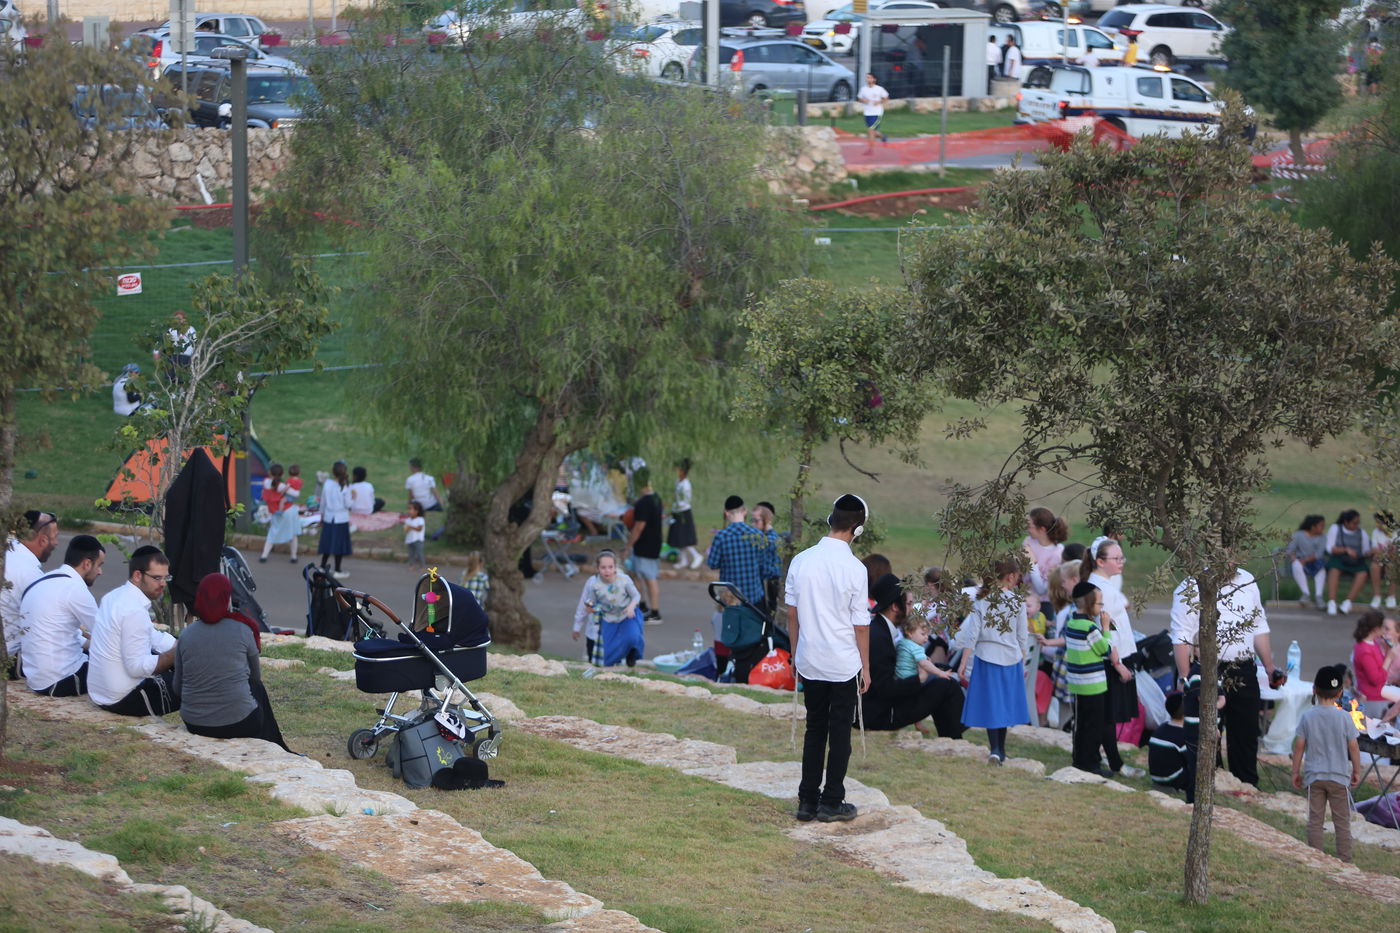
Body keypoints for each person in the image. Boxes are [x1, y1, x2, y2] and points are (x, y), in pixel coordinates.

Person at [789, 494, 871, 823]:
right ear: (857, 529)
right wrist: (866, 667)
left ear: (830, 520)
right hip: (842, 662)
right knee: (839, 732)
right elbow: (860, 626)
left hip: (809, 657)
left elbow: (791, 616)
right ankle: (832, 801)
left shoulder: (802, 560)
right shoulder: (855, 568)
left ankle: (807, 800)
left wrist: (795, 654)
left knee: (814, 729)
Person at [1170, 567, 1281, 788]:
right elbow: (1181, 633)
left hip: (1243, 666)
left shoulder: (1248, 579)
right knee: (1208, 731)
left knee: (1246, 730)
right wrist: (1185, 679)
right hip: (1206, 667)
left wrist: (1269, 667)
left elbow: (1258, 624)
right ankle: (1209, 782)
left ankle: (1247, 782)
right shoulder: (1192, 585)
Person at [176, 573, 290, 752]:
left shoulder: (186, 635)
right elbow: (255, 677)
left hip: (194, 723)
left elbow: (177, 687)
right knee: (257, 689)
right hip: (240, 723)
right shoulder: (243, 630)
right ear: (226, 598)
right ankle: (276, 746)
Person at [862, 573, 965, 738]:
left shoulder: (879, 629)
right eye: (909, 604)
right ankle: (954, 738)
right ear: (895, 606)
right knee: (946, 685)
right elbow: (885, 688)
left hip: (878, 707)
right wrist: (920, 679)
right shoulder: (879, 637)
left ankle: (952, 736)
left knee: (942, 673)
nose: (912, 610)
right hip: (879, 714)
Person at [88, 546, 179, 717]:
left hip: (100, 694)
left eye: (166, 578)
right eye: (157, 578)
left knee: (175, 654)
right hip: (123, 699)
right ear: (138, 575)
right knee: (196, 680)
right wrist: (178, 652)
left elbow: (153, 637)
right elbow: (137, 668)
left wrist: (181, 644)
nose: (163, 584)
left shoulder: (114, 596)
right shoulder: (133, 610)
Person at [957, 557, 1031, 765]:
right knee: (1004, 705)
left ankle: (995, 749)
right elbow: (1022, 636)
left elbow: (973, 634)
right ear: (1010, 576)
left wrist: (963, 662)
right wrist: (1023, 660)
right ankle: (1001, 750)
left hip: (986, 656)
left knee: (992, 705)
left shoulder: (981, 600)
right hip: (1010, 658)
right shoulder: (1017, 602)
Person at [20, 534, 105, 697]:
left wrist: (88, 643)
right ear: (87, 563)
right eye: (99, 565)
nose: (100, 572)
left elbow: (54, 632)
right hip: (61, 680)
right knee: (121, 669)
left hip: (36, 678)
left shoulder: (42, 581)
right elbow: (108, 634)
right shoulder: (75, 589)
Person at [1292, 665, 1361, 863]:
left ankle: (1316, 858)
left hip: (1315, 777)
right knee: (1342, 822)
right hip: (1339, 777)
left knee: (1315, 820)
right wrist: (1356, 770)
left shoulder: (1307, 716)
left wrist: (1295, 771)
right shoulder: (1345, 717)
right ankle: (1345, 860)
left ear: (1314, 689)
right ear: (1340, 693)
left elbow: (1299, 747)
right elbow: (1354, 747)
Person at [1084, 537, 1138, 735]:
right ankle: (1105, 755)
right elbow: (1106, 627)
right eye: (1116, 558)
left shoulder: (1106, 584)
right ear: (1100, 561)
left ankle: (1109, 755)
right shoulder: (1101, 589)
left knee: (1111, 715)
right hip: (1113, 658)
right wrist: (1117, 663)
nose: (1121, 562)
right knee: (1109, 713)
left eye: (1122, 558)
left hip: (1118, 655)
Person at [1063, 580, 1118, 775]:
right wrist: (1106, 629)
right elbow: (1105, 650)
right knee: (1094, 726)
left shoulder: (1071, 623)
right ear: (1088, 604)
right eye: (1099, 604)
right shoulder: (1090, 628)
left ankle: (1080, 759)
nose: (1102, 608)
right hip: (1093, 685)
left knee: (1081, 724)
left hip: (1077, 684)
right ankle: (1090, 764)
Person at [2, 510, 59, 677]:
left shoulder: (6, 550)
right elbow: (48, 625)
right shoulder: (30, 574)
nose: (56, 543)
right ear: (42, 540)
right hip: (10, 657)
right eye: (55, 537)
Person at [707, 495, 780, 609]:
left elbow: (712, 564)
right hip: (754, 596)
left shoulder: (721, 537)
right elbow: (764, 567)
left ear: (726, 513)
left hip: (729, 597)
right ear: (744, 511)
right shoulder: (757, 535)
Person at [572, 550, 641, 667]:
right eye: (603, 567)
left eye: (610, 567)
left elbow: (636, 595)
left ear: (615, 567)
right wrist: (577, 625)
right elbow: (586, 602)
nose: (607, 570)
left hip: (622, 620)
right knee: (595, 660)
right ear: (597, 568)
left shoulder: (623, 580)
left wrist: (631, 607)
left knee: (630, 639)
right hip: (598, 627)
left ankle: (630, 657)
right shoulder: (593, 583)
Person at [624, 466, 664, 623]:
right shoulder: (657, 498)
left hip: (646, 544)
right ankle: (642, 605)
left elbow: (639, 527)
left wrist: (628, 545)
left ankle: (655, 613)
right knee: (635, 574)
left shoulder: (643, 503)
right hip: (653, 542)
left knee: (649, 577)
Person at [1149, 692, 1197, 803]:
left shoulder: (1162, 727)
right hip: (1172, 779)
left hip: (1156, 777)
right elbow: (1192, 761)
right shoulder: (1184, 735)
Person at [1325, 509, 1374, 615]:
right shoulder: (1335, 528)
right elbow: (1329, 548)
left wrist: (1371, 552)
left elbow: (1365, 551)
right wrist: (1345, 549)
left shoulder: (1362, 533)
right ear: (1346, 522)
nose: (1357, 525)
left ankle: (1348, 602)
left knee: (1363, 573)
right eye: (1354, 523)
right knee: (1334, 570)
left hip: (1356, 560)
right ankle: (1332, 602)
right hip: (1339, 558)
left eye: (1358, 523)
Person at [1023, 507, 1068, 616]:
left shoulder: (1058, 553)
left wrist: (1031, 562)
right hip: (1024, 600)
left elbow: (1041, 589)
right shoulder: (1028, 541)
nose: (1027, 529)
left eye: (1030, 526)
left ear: (1042, 529)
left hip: (1044, 605)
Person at [260, 463, 301, 564]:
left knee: (272, 532)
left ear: (270, 473)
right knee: (293, 534)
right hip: (288, 511)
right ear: (282, 474)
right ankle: (294, 557)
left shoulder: (266, 482)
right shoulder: (281, 486)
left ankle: (264, 556)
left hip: (275, 512)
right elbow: (297, 494)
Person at [318, 460, 353, 578]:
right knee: (339, 545)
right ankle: (337, 569)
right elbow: (348, 504)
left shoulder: (327, 484)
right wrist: (354, 497)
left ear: (333, 472)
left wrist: (321, 515)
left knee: (327, 542)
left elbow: (323, 501)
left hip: (328, 517)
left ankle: (322, 566)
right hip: (341, 519)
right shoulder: (346, 486)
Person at [1352, 610, 1390, 717]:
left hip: (1380, 696)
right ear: (1376, 629)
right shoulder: (1365, 650)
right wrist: (1390, 658)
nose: (1384, 630)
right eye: (1383, 627)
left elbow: (1380, 666)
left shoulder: (1374, 643)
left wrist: (1388, 651)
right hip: (1372, 699)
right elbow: (1375, 679)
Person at [1286, 514, 1328, 609]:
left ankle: (1319, 596)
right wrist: (1294, 558)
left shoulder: (1323, 537)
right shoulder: (1298, 535)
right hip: (1300, 561)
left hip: (1315, 561)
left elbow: (1319, 553)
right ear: (1313, 526)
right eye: (1321, 525)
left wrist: (1306, 560)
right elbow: (1290, 549)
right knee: (1296, 565)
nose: (1323, 528)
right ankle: (1306, 593)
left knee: (1321, 570)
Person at [668, 459, 703, 570]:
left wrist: (673, 508)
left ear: (683, 471)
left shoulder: (686, 485)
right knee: (679, 538)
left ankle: (696, 556)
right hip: (677, 511)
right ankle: (683, 560)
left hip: (683, 513)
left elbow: (684, 502)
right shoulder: (677, 483)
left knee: (684, 537)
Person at [857, 72, 889, 153]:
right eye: (867, 78)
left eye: (870, 78)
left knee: (871, 130)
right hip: (867, 113)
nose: (868, 79)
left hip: (877, 113)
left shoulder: (879, 89)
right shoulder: (863, 89)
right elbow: (859, 98)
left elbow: (886, 98)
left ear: (874, 79)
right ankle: (883, 137)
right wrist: (863, 100)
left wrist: (879, 101)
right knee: (873, 132)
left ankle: (870, 149)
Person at [1371, 511, 1397, 609]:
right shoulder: (1375, 532)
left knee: (1391, 566)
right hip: (1380, 560)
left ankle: (1391, 596)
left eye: (1379, 522)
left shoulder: (1397, 533)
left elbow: (1396, 554)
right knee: (1374, 566)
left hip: (1393, 561)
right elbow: (1374, 550)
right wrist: (1387, 552)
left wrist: (1384, 553)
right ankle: (1377, 595)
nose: (1377, 525)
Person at [403, 501, 427, 571]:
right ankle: (412, 565)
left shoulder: (420, 519)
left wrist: (411, 527)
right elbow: (405, 529)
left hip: (418, 540)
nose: (409, 511)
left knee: (420, 554)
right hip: (410, 539)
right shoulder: (408, 520)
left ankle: (422, 566)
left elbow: (420, 528)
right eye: (408, 509)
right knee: (411, 554)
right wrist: (406, 528)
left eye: (411, 509)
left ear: (416, 511)